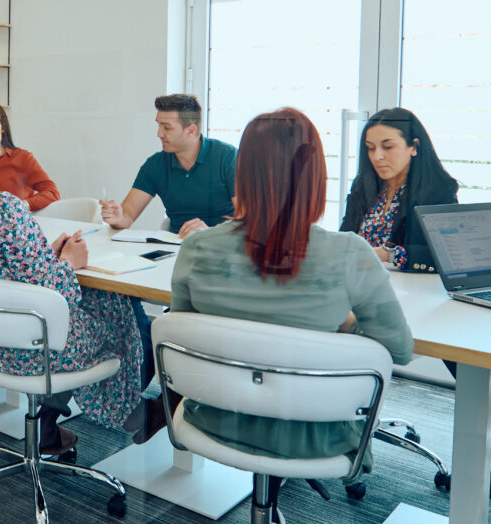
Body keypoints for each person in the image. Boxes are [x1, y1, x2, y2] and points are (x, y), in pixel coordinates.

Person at [170, 107, 414, 466]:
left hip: (216, 418)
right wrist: (345, 324)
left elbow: (184, 334)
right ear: (315, 175)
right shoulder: (349, 253)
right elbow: (399, 348)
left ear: (242, 174)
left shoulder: (197, 247)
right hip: (315, 433)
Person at [0, 80, 151, 453]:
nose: (0, 151)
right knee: (121, 312)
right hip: (36, 347)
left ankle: (67, 419)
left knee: (103, 308)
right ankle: (128, 412)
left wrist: (52, 259)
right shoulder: (3, 208)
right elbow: (53, 294)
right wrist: (70, 263)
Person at [339, 107, 459, 271]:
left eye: (387, 147)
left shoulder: (438, 191)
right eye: (371, 148)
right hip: (358, 279)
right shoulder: (363, 184)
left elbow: (447, 254)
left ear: (414, 147)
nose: (377, 156)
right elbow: (345, 237)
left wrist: (387, 254)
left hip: (411, 288)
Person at [101, 93, 235, 237]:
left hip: (222, 247)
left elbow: (249, 221)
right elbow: (127, 216)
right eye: (159, 125)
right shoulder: (155, 165)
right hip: (176, 248)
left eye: (167, 128)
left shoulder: (227, 157)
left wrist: (208, 232)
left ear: (191, 130)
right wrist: (117, 218)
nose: (159, 134)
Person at [0, 104, 60, 212]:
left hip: (15, 224)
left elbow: (52, 192)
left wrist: (23, 205)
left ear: (1, 128)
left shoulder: (22, 158)